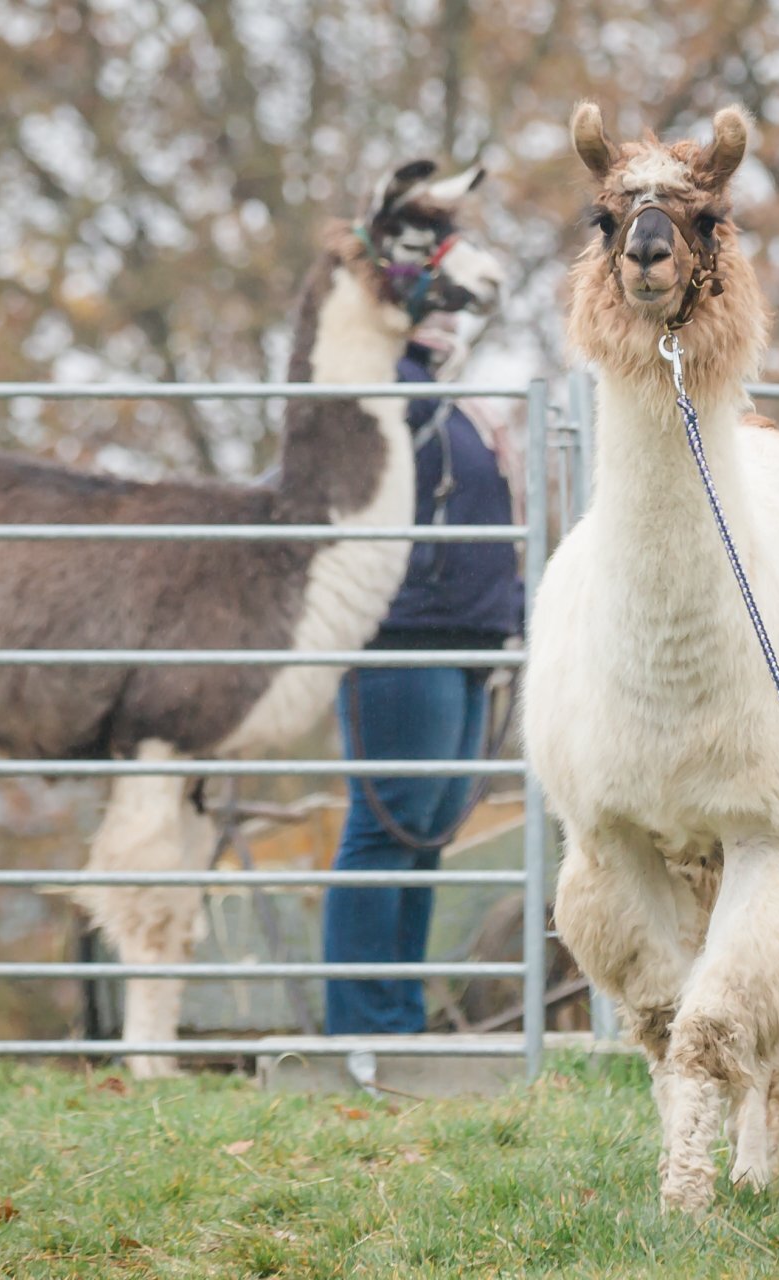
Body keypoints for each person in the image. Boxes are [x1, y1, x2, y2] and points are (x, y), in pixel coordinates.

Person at [320, 313, 523, 1088]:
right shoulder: (383, 389)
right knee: (387, 822)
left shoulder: (440, 392)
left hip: (468, 635)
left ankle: (398, 1018)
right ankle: (364, 1031)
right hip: (405, 632)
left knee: (429, 828)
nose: (448, 314)